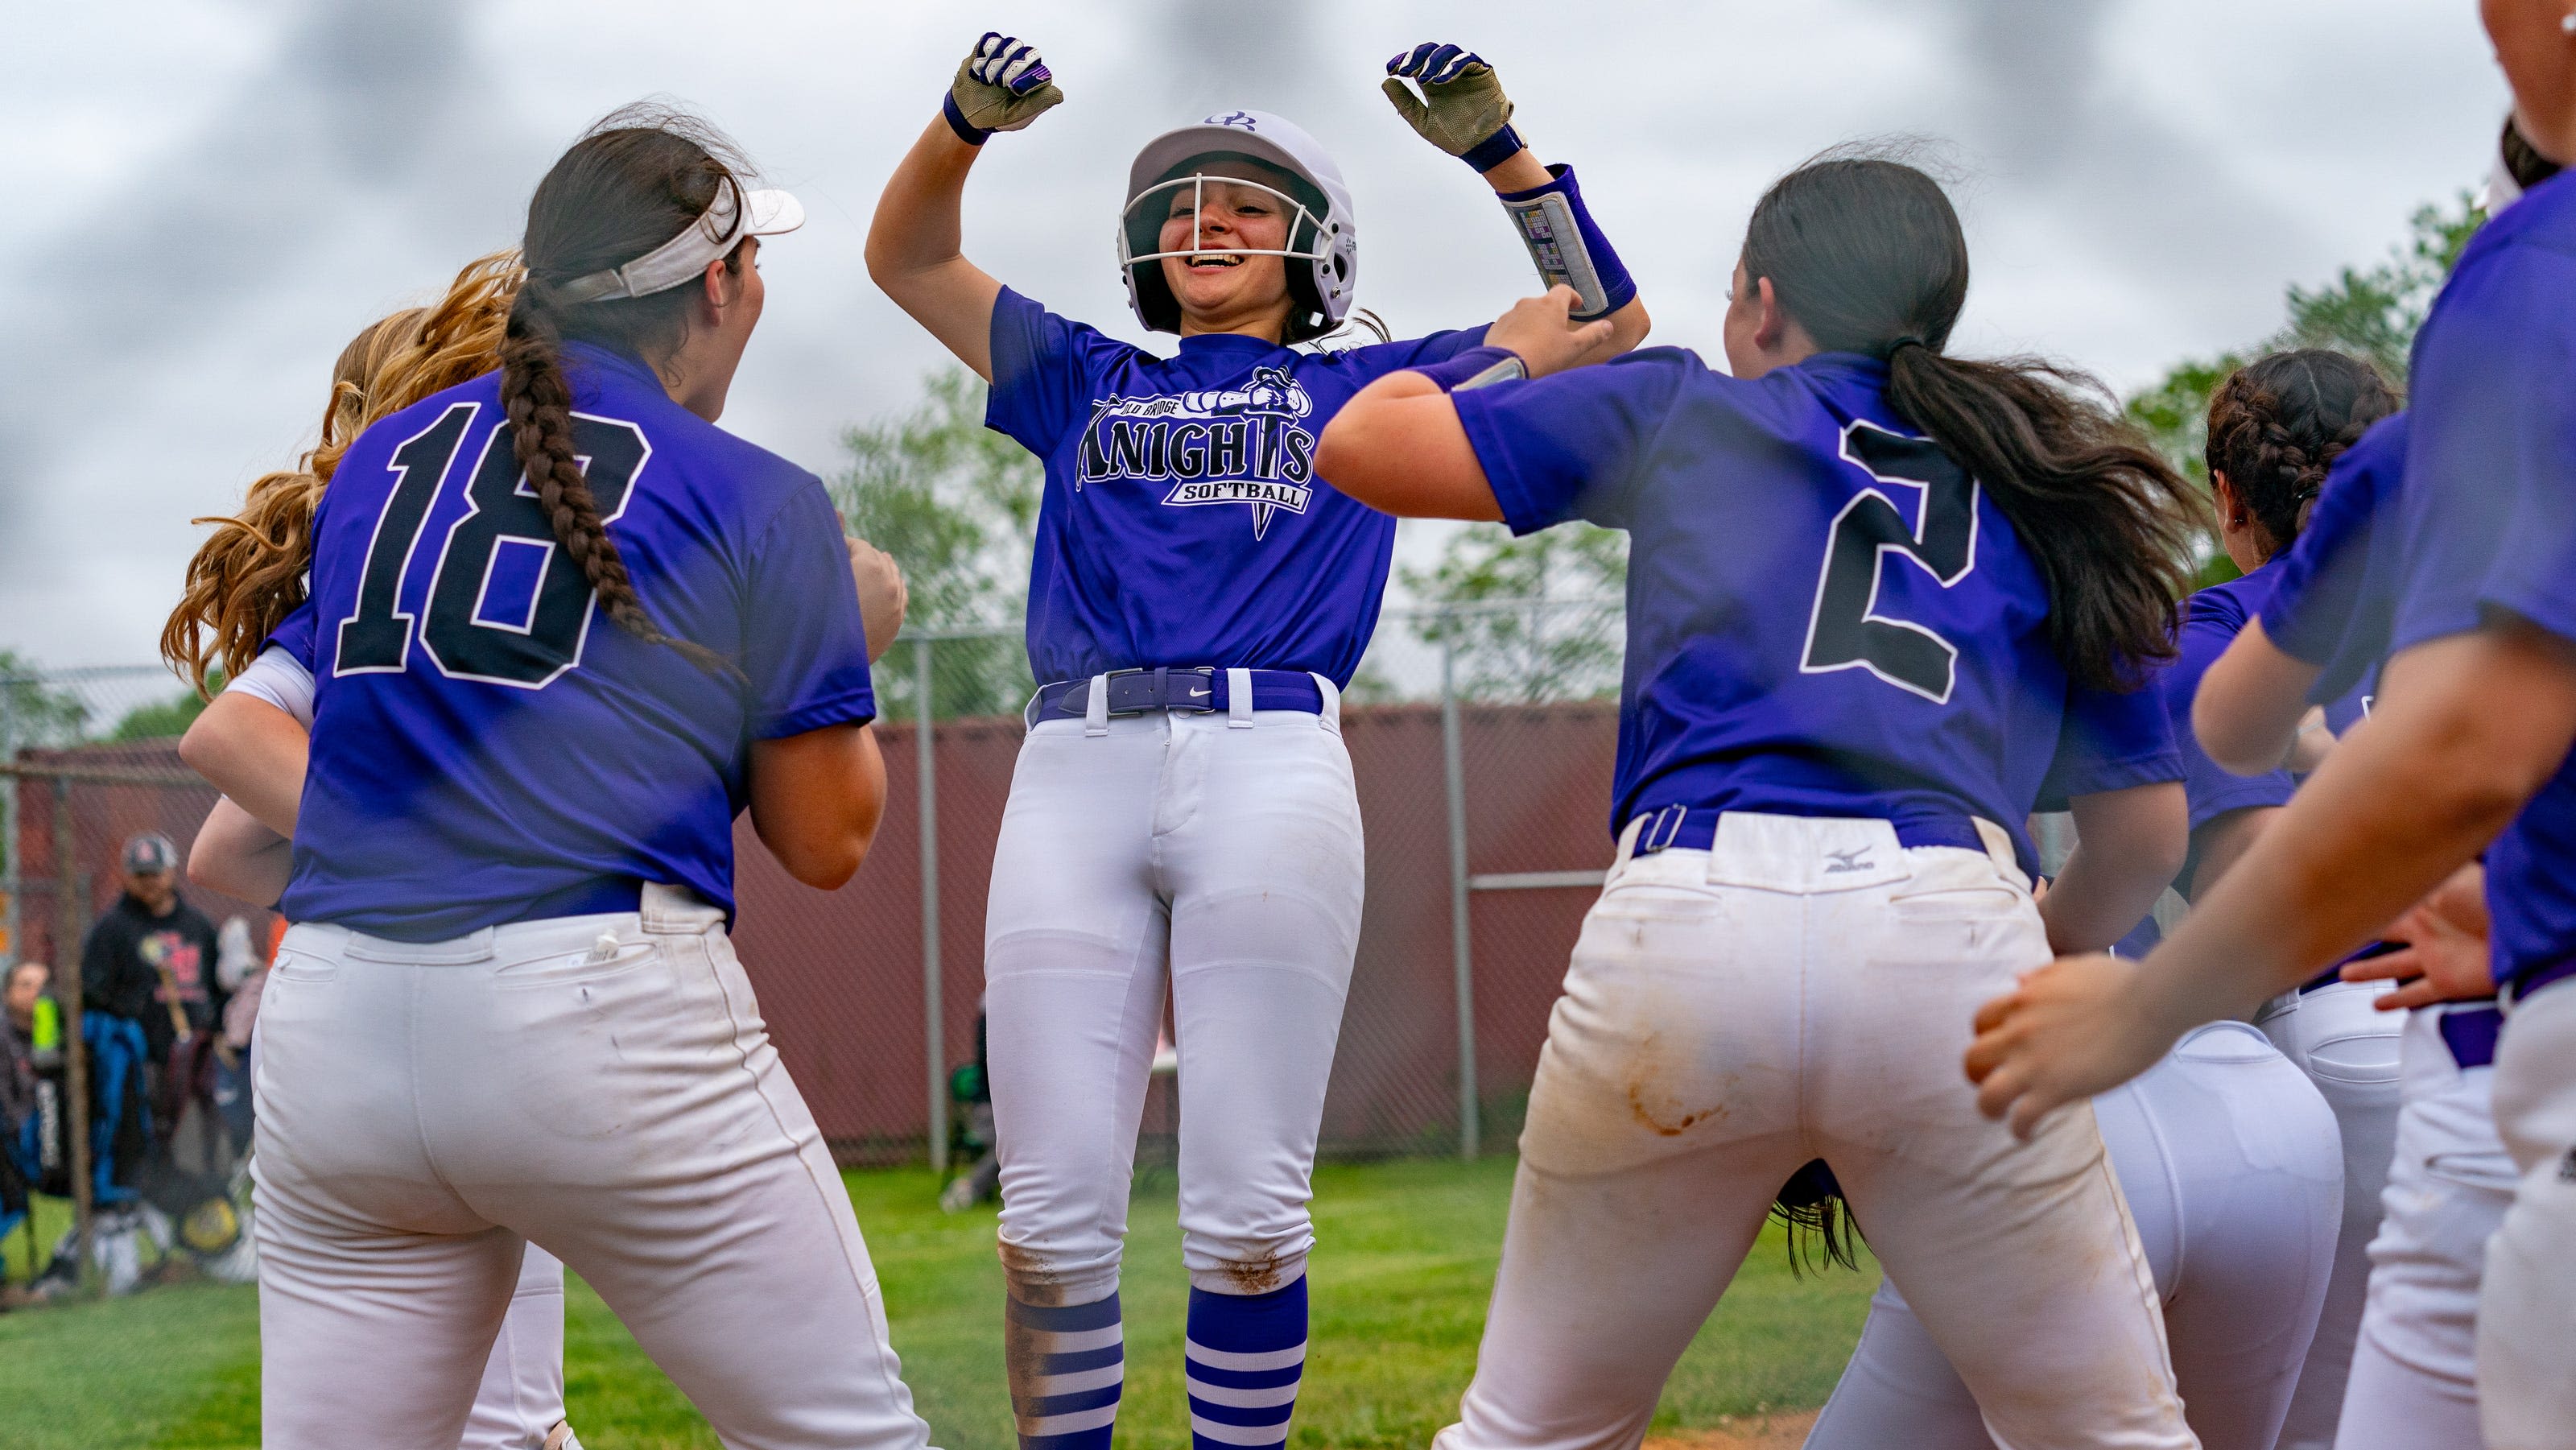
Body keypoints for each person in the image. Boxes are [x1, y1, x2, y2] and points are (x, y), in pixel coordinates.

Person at [1319, 147, 2207, 1450]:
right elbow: (2144, 841)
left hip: (1688, 921)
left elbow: (1359, 442)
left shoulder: (1687, 411)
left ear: (1761, 298)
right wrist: (2038, 961)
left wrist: (1521, 351)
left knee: (1532, 1429)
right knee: (2106, 1431)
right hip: (1949, 931)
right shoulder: (2037, 477)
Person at [867, 35, 1649, 1450]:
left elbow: (1604, 322)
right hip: (1076, 767)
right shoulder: (1080, 374)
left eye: (1241, 202)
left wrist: (1500, 153)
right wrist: (961, 125)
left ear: (1317, 249)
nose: (1201, 221)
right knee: (1047, 1219)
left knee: (1244, 1211)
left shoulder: (1385, 380)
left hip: (1270, 762)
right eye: (1176, 206)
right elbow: (910, 259)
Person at [178, 105, 928, 1450]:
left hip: (339, 1014)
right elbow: (825, 840)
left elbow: (273, 741)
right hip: (595, 1002)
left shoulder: (382, 462)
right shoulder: (756, 496)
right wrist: (836, 639)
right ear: (723, 281)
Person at [1967, 6, 2576, 1444]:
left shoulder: (2521, 304)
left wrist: (2146, 996)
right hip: (2462, 995)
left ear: (2233, 502)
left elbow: (2352, 784)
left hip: (2345, 1037)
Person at [1804, 353, 2388, 1450]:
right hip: (2340, 1093)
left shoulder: (2208, 641)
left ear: (2228, 496)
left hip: (2313, 1051)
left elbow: (2261, 899)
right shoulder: (2491, 616)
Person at [80, 832, 225, 1157]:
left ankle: (198, 1194)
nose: (149, 882)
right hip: (140, 1053)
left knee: (197, 1127)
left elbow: (218, 983)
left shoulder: (197, 924)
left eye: (155, 873)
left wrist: (213, 1025)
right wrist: (129, 1009)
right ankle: (140, 1196)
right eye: (140, 875)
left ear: (172, 871)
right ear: (126, 876)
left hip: (196, 1052)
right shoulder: (112, 928)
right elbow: (90, 987)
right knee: (145, 1129)